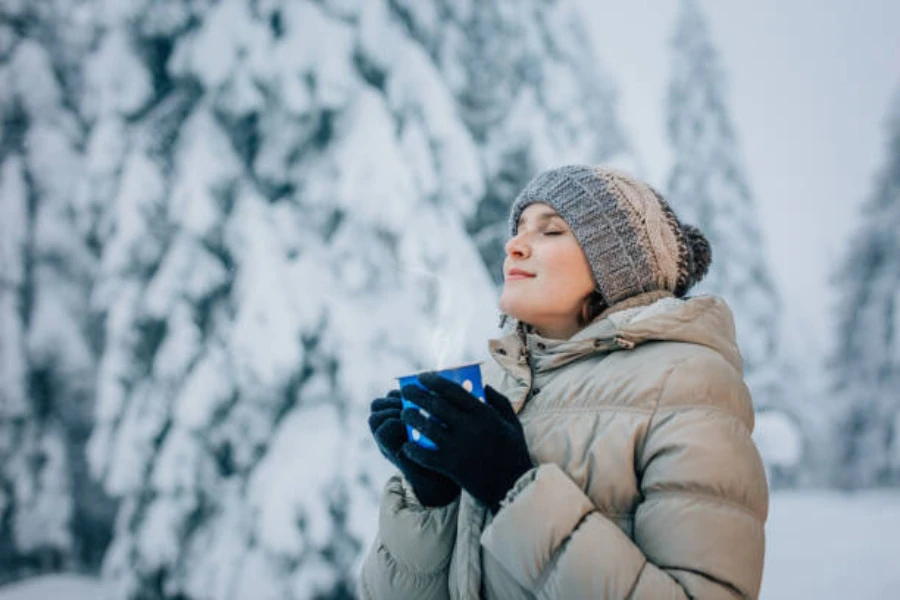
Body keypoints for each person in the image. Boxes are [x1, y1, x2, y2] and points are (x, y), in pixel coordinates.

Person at [360, 165, 769, 599]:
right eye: (518, 229)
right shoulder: (498, 382)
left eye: (551, 231)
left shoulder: (686, 383)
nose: (514, 245)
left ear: (618, 264)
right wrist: (431, 500)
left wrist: (512, 488)